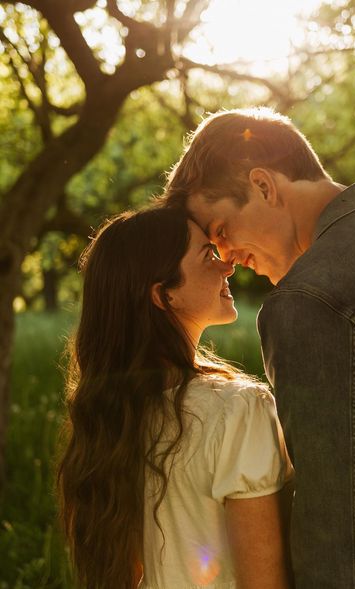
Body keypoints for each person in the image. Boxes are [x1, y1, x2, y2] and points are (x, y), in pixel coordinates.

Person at [163, 107, 355, 588]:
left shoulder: (308, 305)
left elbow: (341, 534)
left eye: (221, 231)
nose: (227, 259)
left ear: (264, 185)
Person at [56, 205, 294, 589]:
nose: (227, 266)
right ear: (164, 295)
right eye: (207, 255)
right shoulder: (237, 410)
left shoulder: (110, 416)